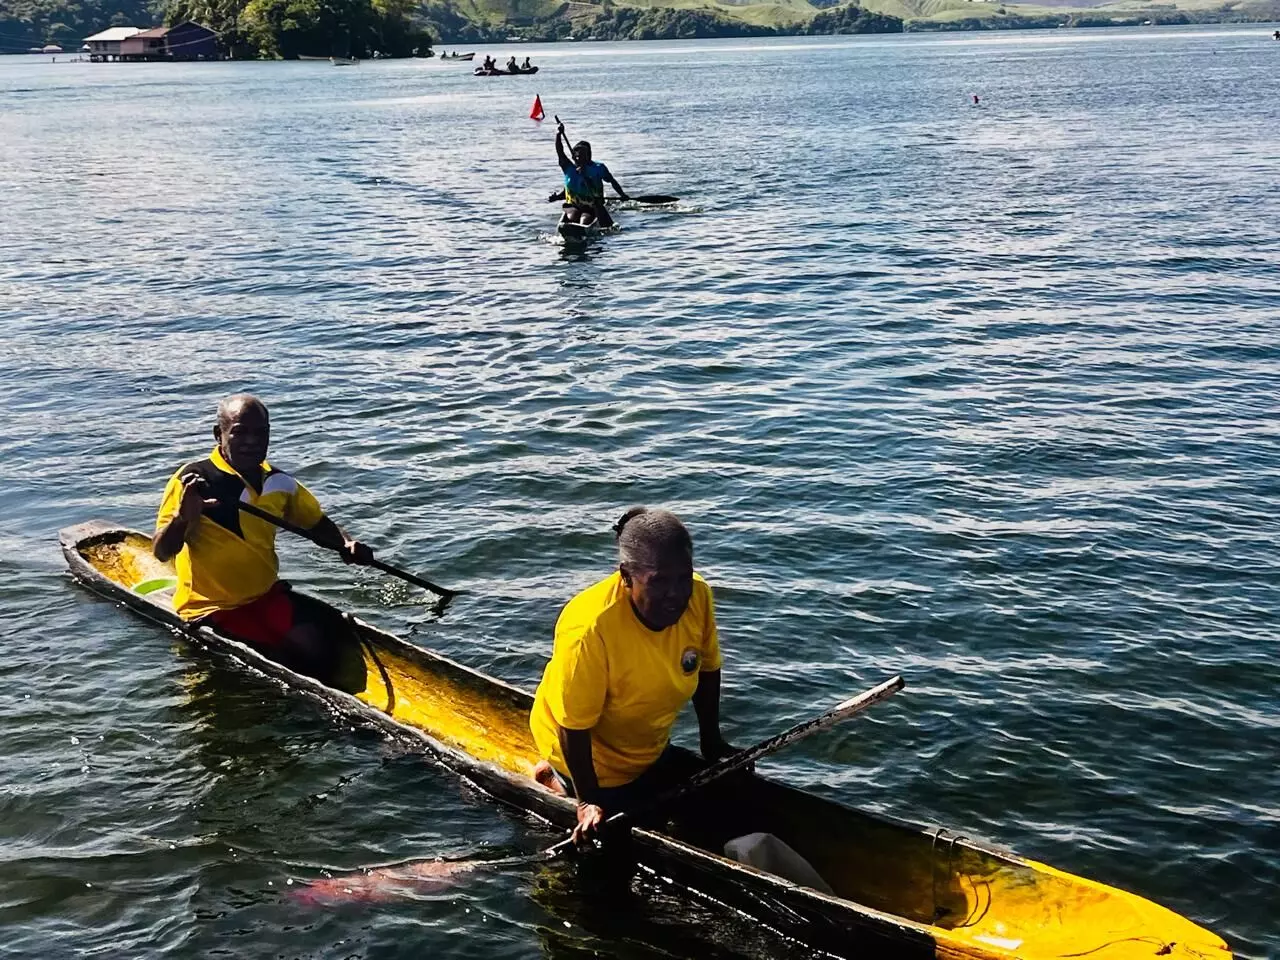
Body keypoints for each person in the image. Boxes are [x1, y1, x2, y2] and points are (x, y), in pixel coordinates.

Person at [529, 508, 734, 844]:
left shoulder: (698, 596)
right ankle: (557, 779)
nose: (676, 593)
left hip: (647, 746)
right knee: (616, 839)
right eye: (659, 582)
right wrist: (587, 801)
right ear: (626, 576)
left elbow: (708, 668)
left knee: (722, 800)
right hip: (595, 759)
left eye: (683, 577)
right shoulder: (590, 628)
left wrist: (712, 743)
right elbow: (573, 726)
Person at [153, 394, 373, 680]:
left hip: (265, 597)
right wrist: (183, 518)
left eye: (260, 433)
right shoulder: (193, 481)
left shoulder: (279, 482)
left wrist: (346, 544)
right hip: (209, 608)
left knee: (319, 649)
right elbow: (161, 551)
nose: (252, 441)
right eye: (240, 431)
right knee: (278, 663)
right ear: (219, 434)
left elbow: (316, 523)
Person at [555, 118, 628, 228]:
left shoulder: (598, 168)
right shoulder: (568, 167)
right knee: (573, 216)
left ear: (588, 156)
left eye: (583, 155)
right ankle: (571, 226)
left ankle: (583, 227)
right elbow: (560, 151)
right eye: (577, 155)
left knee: (584, 220)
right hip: (572, 206)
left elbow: (612, 181)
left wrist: (622, 195)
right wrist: (558, 134)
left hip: (591, 207)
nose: (579, 158)